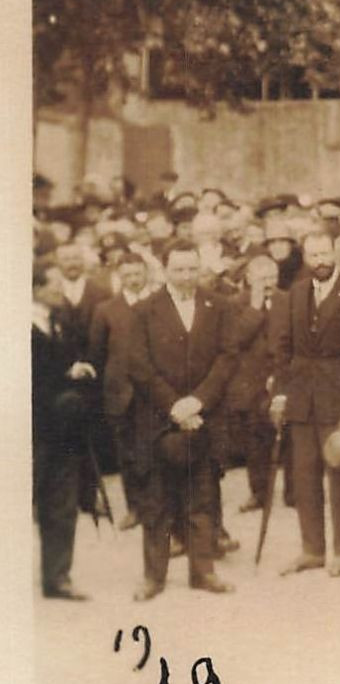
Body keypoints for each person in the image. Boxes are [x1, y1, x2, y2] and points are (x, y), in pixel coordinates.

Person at [127, 241, 238, 600]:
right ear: (165, 270)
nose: (187, 276)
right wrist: (175, 406)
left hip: (203, 418)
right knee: (156, 501)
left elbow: (226, 358)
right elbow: (139, 366)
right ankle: (154, 577)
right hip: (158, 419)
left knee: (202, 497)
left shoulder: (218, 306)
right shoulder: (145, 311)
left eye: (192, 269)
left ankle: (203, 571)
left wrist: (198, 402)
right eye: (179, 269)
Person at [269, 233, 340, 578]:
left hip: (339, 398)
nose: (320, 261)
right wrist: (282, 393)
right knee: (304, 476)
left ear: (336, 254)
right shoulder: (295, 293)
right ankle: (312, 550)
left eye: (325, 253)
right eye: (313, 255)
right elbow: (283, 349)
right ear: (305, 258)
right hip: (301, 399)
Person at [34, 278, 91, 600]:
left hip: (62, 431)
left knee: (61, 503)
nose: (59, 288)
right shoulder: (19, 328)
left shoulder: (58, 323)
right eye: (52, 281)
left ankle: (57, 578)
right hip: (32, 433)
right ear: (34, 288)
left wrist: (73, 370)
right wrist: (66, 376)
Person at [88, 252, 151, 529]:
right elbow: (97, 353)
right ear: (119, 277)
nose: (134, 280)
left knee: (156, 450)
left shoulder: (159, 303)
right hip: (120, 392)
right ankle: (135, 507)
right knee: (127, 453)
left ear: (145, 273)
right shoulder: (106, 309)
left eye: (138, 274)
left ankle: (163, 507)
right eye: (127, 275)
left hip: (153, 391)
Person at [224, 255, 280, 515]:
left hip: (282, 376)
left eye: (272, 277)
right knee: (255, 440)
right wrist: (255, 309)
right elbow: (234, 341)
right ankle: (259, 493)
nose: (268, 283)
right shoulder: (234, 305)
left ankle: (294, 492)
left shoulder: (288, 300)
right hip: (250, 381)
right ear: (248, 279)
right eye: (261, 278)